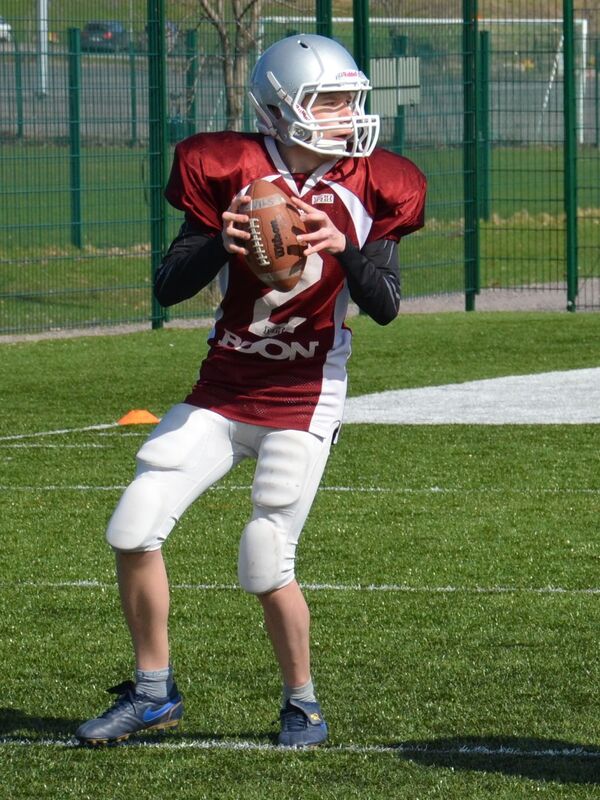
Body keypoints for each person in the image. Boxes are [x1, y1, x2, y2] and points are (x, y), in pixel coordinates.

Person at [75, 33, 426, 748]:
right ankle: (153, 693)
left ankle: (303, 704)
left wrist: (344, 249)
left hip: (304, 393)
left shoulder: (377, 181)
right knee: (132, 526)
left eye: (351, 100)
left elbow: (386, 304)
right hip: (222, 387)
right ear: (278, 109)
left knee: (266, 558)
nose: (347, 115)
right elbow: (169, 286)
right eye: (328, 101)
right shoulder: (224, 168)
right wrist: (221, 242)